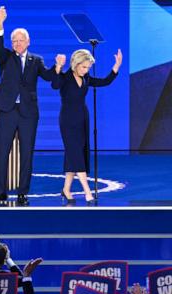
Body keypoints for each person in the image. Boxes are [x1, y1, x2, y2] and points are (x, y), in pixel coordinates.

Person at [0, 6, 58, 206]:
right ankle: (0, 193)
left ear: (28, 42)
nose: (18, 43)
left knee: (27, 153)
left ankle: (22, 193)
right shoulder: (6, 57)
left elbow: (48, 76)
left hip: (28, 113)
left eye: (21, 40)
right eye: (15, 41)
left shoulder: (36, 60)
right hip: (8, 110)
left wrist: (58, 67)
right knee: (1, 151)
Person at [51, 48, 122, 204]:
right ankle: (87, 191)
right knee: (75, 153)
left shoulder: (86, 78)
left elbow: (104, 82)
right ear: (75, 64)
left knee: (76, 154)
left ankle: (66, 190)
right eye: (84, 67)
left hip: (83, 119)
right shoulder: (65, 77)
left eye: (88, 67)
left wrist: (116, 67)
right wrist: (58, 67)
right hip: (68, 121)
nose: (86, 70)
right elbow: (55, 85)